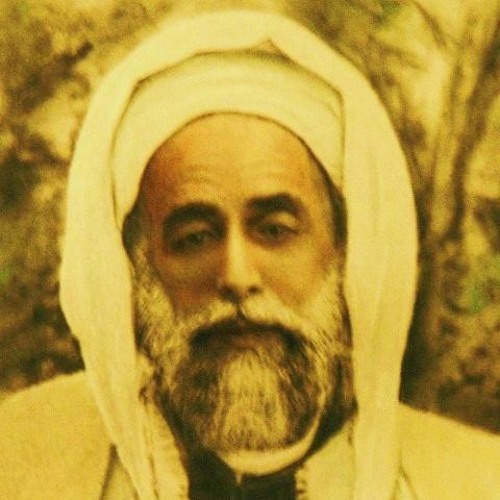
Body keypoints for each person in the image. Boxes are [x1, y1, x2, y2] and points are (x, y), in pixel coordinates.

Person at [1, 4, 499, 500]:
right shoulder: (21, 461)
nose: (237, 275)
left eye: (275, 231)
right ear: (135, 266)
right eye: (194, 237)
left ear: (346, 253)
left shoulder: (475, 481)